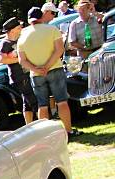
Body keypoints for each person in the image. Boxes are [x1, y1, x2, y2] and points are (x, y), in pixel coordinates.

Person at [19, 6, 78, 136]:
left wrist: (37, 69)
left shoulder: (22, 36)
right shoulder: (52, 29)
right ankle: (68, 130)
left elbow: (22, 60)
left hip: (36, 74)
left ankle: (45, 136)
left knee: (42, 105)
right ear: (41, 17)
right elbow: (59, 50)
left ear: (29, 20)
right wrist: (48, 65)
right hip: (55, 69)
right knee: (61, 101)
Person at [0, 17, 38, 124]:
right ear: (12, 30)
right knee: (33, 100)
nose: (21, 28)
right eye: (18, 27)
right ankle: (43, 123)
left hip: (27, 73)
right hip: (19, 76)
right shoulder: (5, 43)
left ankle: (29, 125)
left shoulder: (20, 39)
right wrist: (20, 59)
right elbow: (1, 59)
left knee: (27, 101)